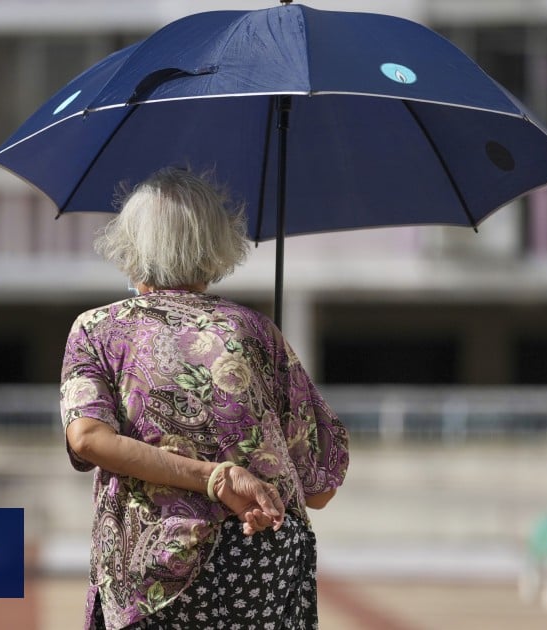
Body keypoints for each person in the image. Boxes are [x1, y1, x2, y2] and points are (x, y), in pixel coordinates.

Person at [60, 168, 349, 630]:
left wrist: (214, 478)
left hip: (153, 567)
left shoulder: (97, 329)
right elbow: (320, 490)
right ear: (215, 246)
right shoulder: (256, 330)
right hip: (259, 563)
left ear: (130, 247)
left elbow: (88, 439)